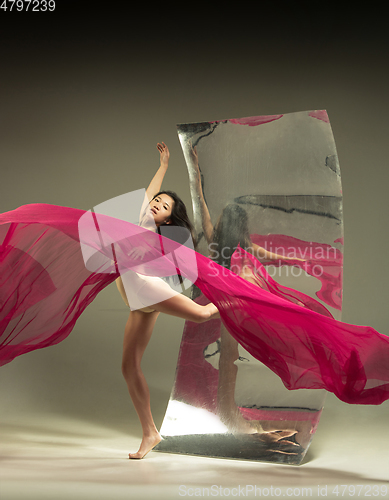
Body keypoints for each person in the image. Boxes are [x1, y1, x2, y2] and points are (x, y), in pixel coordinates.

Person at [117, 142, 220, 459]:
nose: (155, 205)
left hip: (148, 290)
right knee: (128, 366)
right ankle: (150, 433)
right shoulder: (143, 222)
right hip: (138, 302)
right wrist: (163, 165)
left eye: (162, 207)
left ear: (168, 220)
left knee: (202, 314)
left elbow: (170, 260)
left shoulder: (161, 236)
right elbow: (149, 195)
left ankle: (240, 295)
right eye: (156, 202)